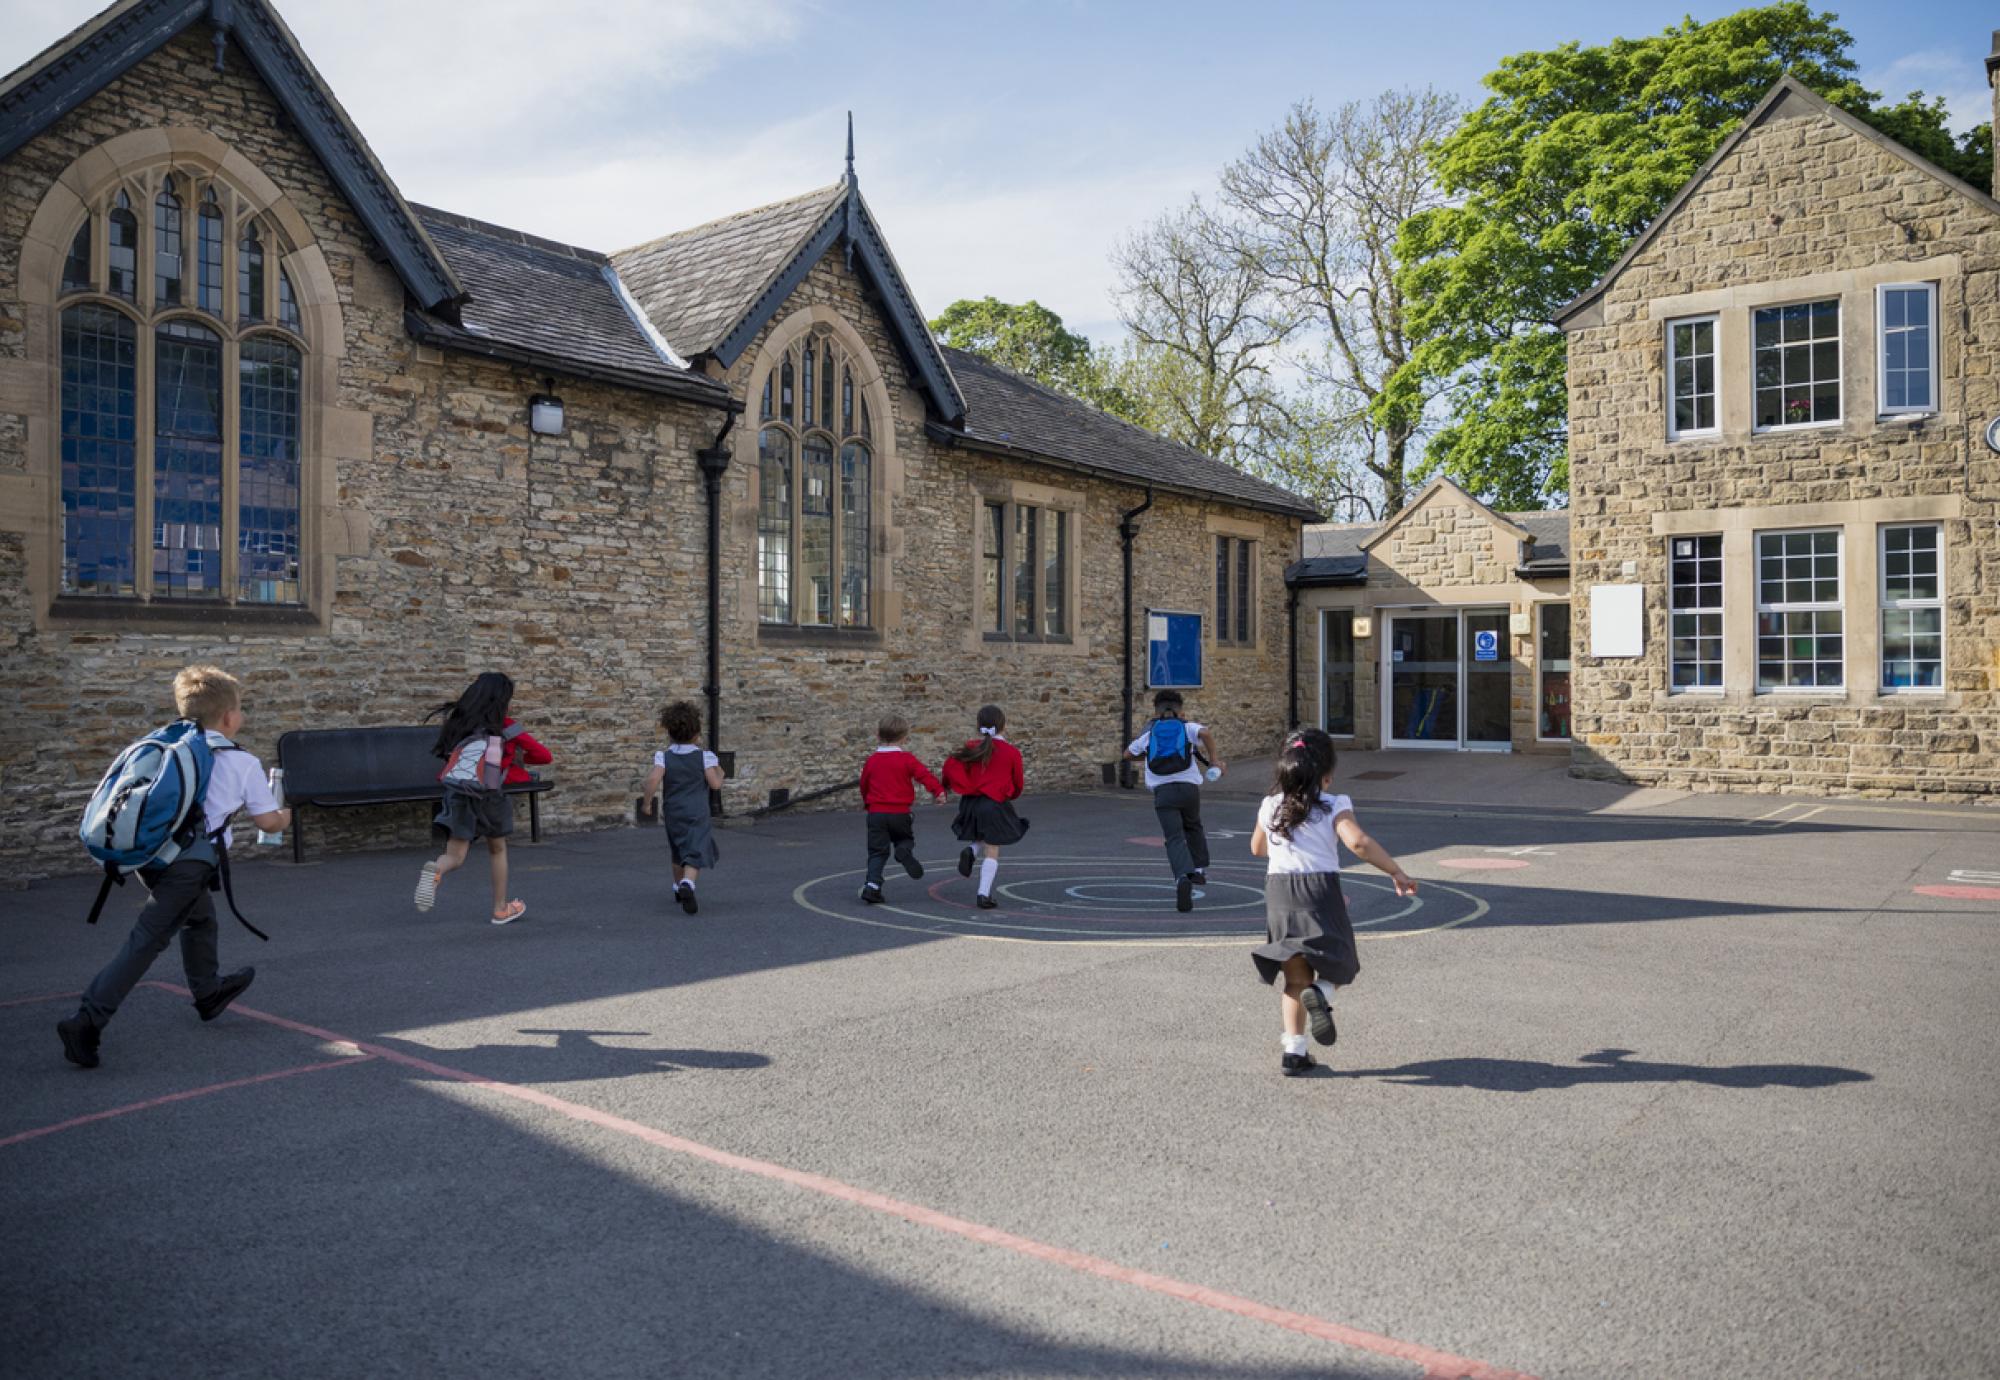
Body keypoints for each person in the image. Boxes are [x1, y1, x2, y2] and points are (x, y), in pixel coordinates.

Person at [57, 665, 289, 1069]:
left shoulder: (162, 746)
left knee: (199, 920)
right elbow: (268, 822)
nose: (243, 717)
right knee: (148, 938)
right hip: (190, 863)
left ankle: (208, 992)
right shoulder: (242, 762)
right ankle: (87, 1020)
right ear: (230, 716)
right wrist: (285, 815)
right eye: (241, 710)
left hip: (153, 857)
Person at [1249, 728, 1416, 1077]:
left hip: (1278, 893)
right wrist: (1395, 871)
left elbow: (1257, 848)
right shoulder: (1334, 804)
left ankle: (1294, 1052)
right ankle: (1323, 993)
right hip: (1318, 890)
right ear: (1325, 775)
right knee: (1342, 960)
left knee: (1294, 977)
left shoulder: (1269, 805)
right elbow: (1358, 843)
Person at [415, 672, 531, 924]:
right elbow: (538, 757)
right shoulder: (499, 731)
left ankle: (436, 870)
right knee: (497, 849)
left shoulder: (459, 725)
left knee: (455, 856)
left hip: (457, 794)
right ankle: (500, 909)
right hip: (487, 797)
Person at [1125, 688, 1223, 913]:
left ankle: (1181, 877)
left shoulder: (1150, 733)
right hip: (1189, 789)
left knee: (1174, 837)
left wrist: (1148, 756)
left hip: (1163, 792)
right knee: (1194, 826)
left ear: (1156, 710)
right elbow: (1206, 733)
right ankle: (1198, 870)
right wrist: (1215, 760)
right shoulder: (1187, 727)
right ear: (1180, 710)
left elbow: (1127, 755)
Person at [940, 704, 1028, 910]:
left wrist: (952, 787)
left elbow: (950, 766)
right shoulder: (1011, 753)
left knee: (983, 835)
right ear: (1003, 725)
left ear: (978, 725)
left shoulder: (971, 747)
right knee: (993, 847)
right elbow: (1018, 784)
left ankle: (971, 849)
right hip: (994, 802)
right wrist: (1009, 795)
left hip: (971, 802)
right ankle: (983, 893)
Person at [643, 700, 724, 914]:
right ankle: (688, 883)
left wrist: (647, 802)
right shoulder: (704, 756)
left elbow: (652, 779)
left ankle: (677, 887)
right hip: (697, 811)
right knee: (695, 849)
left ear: (670, 732)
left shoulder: (664, 756)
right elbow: (715, 783)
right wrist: (721, 774)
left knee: (678, 849)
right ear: (697, 733)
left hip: (673, 811)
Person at [858, 714, 944, 904]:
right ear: (904, 737)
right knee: (904, 838)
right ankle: (903, 850)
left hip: (876, 813)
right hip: (900, 813)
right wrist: (938, 791)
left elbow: (864, 784)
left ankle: (872, 887)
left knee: (877, 852)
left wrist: (868, 803)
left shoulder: (872, 761)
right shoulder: (906, 759)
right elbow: (924, 775)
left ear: (877, 735)